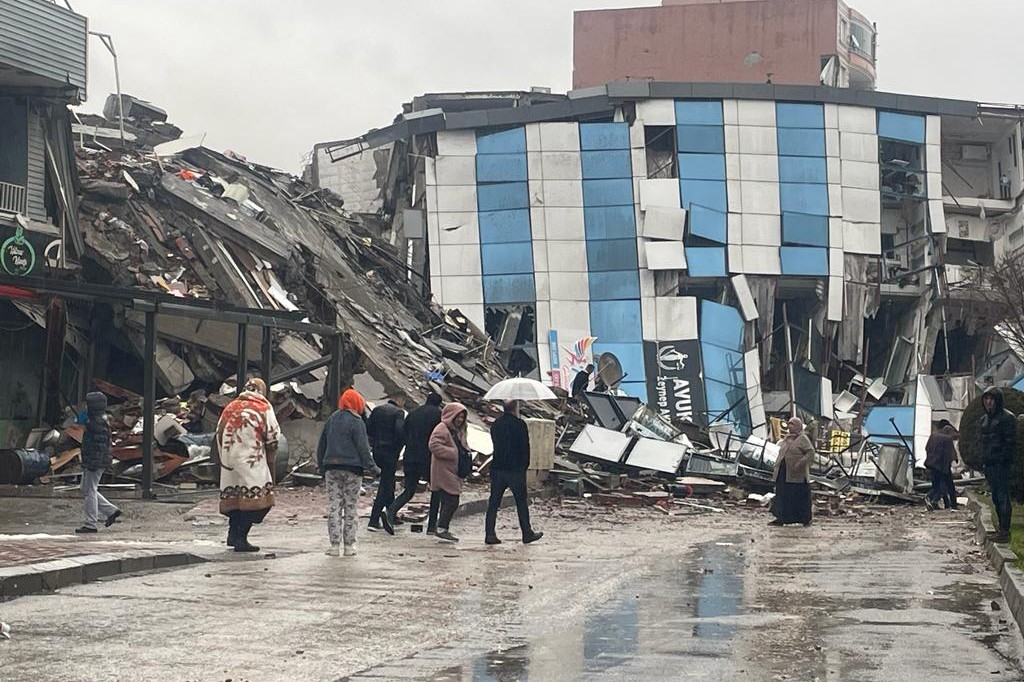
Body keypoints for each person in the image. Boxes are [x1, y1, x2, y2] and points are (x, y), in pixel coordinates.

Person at [216, 378, 280, 553]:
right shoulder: (263, 407)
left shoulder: (230, 407)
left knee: (235, 499)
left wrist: (225, 457)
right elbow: (273, 436)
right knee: (259, 501)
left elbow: (218, 432)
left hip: (229, 462)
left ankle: (232, 533)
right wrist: (270, 457)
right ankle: (241, 537)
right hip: (252, 460)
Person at [317, 388, 380, 556]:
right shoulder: (357, 422)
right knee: (350, 507)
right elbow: (363, 448)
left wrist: (321, 465)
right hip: (352, 469)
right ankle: (349, 546)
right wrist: (373, 468)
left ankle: (334, 546)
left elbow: (322, 444)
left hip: (331, 468)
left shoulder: (332, 419)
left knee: (334, 506)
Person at [484, 401, 543, 545]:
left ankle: (489, 533)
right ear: (515, 408)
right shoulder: (520, 424)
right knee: (521, 502)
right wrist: (524, 465)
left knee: (493, 502)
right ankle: (527, 532)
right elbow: (525, 447)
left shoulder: (496, 425)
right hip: (515, 469)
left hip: (498, 467)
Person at [387, 392, 443, 533]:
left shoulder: (413, 413)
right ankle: (432, 526)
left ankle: (390, 512)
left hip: (410, 456)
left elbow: (403, 433)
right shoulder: (439, 415)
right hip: (429, 458)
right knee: (436, 491)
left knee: (409, 490)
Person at [75, 391, 121, 534]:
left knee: (89, 491)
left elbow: (99, 446)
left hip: (95, 461)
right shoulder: (99, 420)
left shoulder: (96, 423)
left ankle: (90, 523)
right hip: (96, 460)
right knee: (86, 488)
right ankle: (111, 511)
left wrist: (92, 462)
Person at [366, 391, 406, 534]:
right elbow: (400, 432)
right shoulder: (398, 413)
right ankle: (374, 518)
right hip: (390, 452)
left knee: (388, 483)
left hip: (377, 451)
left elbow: (368, 428)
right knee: (385, 484)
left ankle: (392, 515)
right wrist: (398, 448)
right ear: (399, 399)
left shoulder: (377, 410)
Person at [429, 402, 469, 542]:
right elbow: (433, 445)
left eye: (462, 417)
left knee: (449, 499)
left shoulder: (459, 430)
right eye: (458, 416)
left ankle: (442, 527)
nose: (460, 419)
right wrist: (453, 453)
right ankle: (441, 528)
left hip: (453, 470)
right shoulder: (442, 428)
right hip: (443, 470)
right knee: (452, 499)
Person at [981, 387, 1017, 542]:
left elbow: (1010, 443)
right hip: (989, 464)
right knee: (995, 496)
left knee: (1002, 496)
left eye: (992, 399)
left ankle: (1005, 531)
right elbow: (981, 442)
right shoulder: (984, 419)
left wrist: (1002, 459)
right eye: (986, 399)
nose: (989, 402)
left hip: (1001, 464)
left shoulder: (1007, 418)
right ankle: (1001, 529)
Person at [769, 416, 814, 526]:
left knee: (797, 495)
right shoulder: (786, 438)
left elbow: (810, 452)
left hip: (796, 473)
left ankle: (804, 519)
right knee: (782, 495)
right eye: (789, 424)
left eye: (792, 424)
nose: (790, 426)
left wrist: (801, 463)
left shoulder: (803, 438)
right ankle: (781, 518)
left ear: (798, 426)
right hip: (783, 471)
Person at [925, 423, 959, 511]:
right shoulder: (947, 439)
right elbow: (948, 454)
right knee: (947, 485)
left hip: (931, 464)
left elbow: (927, 448)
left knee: (935, 485)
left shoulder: (933, 436)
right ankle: (952, 505)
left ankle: (936, 501)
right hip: (942, 466)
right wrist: (951, 464)